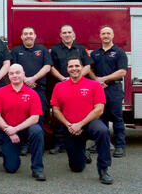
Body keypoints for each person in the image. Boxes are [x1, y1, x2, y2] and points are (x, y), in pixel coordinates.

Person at [51, 57, 113, 184]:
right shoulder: (59, 86)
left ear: (83, 67)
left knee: (103, 131)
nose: (74, 69)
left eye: (77, 66)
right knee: (76, 168)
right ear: (67, 69)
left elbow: (99, 110)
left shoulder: (94, 85)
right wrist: (69, 125)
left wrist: (80, 124)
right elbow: (56, 110)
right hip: (70, 127)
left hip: (89, 123)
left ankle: (103, 169)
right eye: (71, 66)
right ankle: (83, 154)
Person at [0, 64, 45, 181]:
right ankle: (14, 154)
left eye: (17, 73)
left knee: (37, 131)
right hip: (8, 133)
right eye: (12, 73)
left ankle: (38, 169)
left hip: (26, 130)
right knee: (11, 168)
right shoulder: (0, 92)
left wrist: (15, 129)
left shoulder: (32, 94)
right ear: (8, 76)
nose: (15, 76)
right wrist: (9, 131)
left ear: (23, 74)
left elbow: (35, 118)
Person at [49, 25, 94, 155]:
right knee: (58, 114)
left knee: (79, 112)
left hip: (80, 86)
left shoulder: (81, 48)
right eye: (64, 33)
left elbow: (88, 66)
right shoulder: (55, 49)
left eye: (69, 32)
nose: (67, 34)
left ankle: (80, 141)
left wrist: (78, 77)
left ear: (73, 34)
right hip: (61, 86)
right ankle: (59, 143)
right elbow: (50, 67)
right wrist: (63, 78)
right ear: (60, 35)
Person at [10, 26, 52, 155]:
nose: (28, 36)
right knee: (22, 117)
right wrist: (25, 81)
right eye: (25, 34)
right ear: (21, 37)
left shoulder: (42, 50)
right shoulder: (16, 51)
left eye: (30, 34)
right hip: (21, 90)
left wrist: (33, 79)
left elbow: (47, 67)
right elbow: (12, 69)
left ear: (35, 36)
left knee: (38, 117)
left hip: (39, 89)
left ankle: (37, 145)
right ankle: (24, 144)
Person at [89, 26, 127, 158]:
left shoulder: (119, 52)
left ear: (112, 35)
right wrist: (97, 81)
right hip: (99, 89)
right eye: (103, 33)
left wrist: (104, 79)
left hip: (114, 89)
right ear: (100, 36)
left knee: (117, 118)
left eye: (108, 33)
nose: (106, 35)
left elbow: (122, 71)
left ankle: (120, 146)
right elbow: (89, 70)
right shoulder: (95, 53)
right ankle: (102, 143)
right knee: (101, 117)